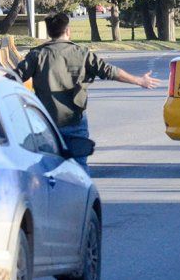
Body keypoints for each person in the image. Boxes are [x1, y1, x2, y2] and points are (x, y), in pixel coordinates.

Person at [15, 13, 160, 172]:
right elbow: (110, 71)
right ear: (68, 31)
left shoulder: (37, 55)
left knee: (46, 168)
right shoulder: (82, 54)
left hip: (46, 124)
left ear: (49, 32)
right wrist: (139, 80)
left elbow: (13, 78)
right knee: (80, 168)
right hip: (75, 120)